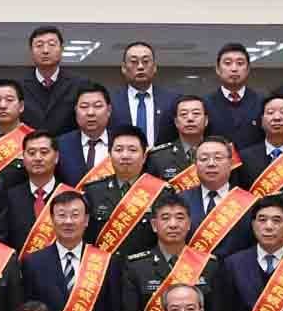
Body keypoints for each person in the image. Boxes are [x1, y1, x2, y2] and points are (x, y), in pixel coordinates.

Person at [83, 125, 168, 254]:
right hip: (105, 263)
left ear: (144, 157)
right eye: (119, 150)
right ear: (109, 155)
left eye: (132, 150)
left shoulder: (161, 192)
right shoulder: (93, 191)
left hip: (144, 265)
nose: (125, 156)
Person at [184, 137, 256, 259]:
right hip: (193, 268)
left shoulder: (250, 202)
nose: (211, 164)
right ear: (195, 164)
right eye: (204, 159)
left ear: (231, 163)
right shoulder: (181, 200)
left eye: (218, 158)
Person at [19, 25, 91, 135]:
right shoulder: (19, 86)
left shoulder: (80, 84)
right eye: (39, 45)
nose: (45, 50)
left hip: (67, 144)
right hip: (30, 144)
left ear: (61, 49)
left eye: (52, 44)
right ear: (31, 51)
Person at [112, 41, 182, 148]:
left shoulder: (172, 100)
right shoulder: (111, 101)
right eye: (134, 62)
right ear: (124, 68)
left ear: (154, 67)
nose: (140, 66)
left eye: (145, 61)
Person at [203, 43, 265, 147]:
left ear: (248, 69)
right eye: (227, 63)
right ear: (218, 69)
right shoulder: (205, 103)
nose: (234, 69)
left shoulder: (262, 102)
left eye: (240, 63)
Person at [143, 96, 214, 187]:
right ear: (176, 122)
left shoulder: (220, 153)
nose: (190, 119)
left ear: (206, 120)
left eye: (196, 113)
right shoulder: (158, 157)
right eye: (184, 114)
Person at [56, 85, 115, 186]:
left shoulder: (121, 142)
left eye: (97, 106)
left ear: (109, 110)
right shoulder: (60, 145)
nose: (90, 113)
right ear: (76, 110)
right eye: (84, 107)